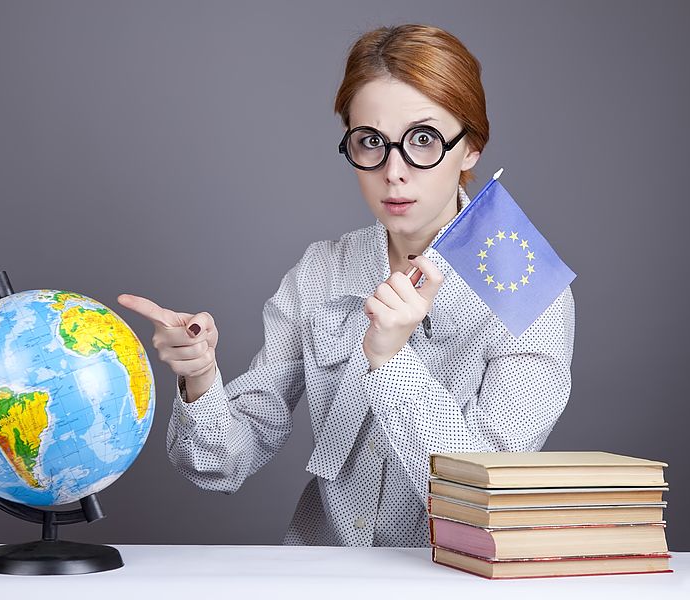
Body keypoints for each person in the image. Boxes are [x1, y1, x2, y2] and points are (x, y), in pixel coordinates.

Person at [117, 23, 575, 547]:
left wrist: (391, 361)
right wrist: (199, 378)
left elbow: (481, 496)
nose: (394, 171)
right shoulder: (321, 273)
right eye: (370, 142)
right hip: (320, 568)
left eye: (423, 139)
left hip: (446, 580)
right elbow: (221, 465)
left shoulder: (531, 289)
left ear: (470, 147)